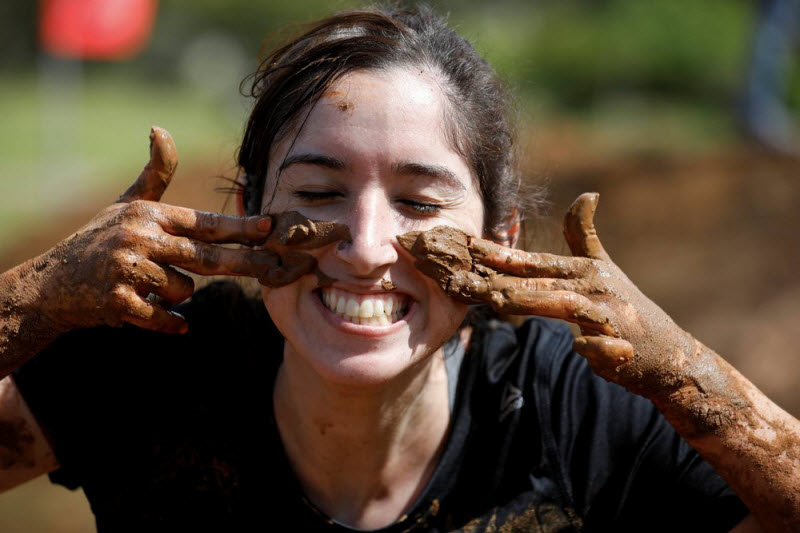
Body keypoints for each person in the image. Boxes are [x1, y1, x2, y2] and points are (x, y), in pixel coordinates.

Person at [0, 5, 797, 532]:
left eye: (420, 202)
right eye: (318, 191)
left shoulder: (567, 410)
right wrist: (33, 299)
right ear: (247, 207)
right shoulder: (152, 361)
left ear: (503, 239)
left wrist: (691, 378)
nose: (366, 244)